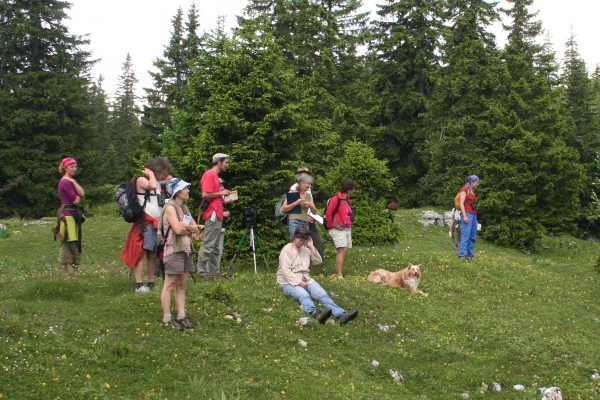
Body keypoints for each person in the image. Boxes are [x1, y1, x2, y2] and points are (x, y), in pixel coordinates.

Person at [277, 226, 358, 324]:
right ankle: (315, 313)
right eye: (300, 240)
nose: (301, 242)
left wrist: (311, 246)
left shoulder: (305, 250)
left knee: (321, 293)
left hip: (306, 278)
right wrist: (299, 283)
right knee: (303, 295)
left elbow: (318, 261)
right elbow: (286, 271)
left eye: (304, 240)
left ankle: (341, 314)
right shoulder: (287, 249)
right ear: (295, 237)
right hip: (287, 281)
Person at [121, 156, 172, 293]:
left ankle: (151, 282)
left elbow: (168, 182)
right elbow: (153, 186)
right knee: (142, 252)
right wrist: (150, 173)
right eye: (162, 172)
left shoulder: (156, 180)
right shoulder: (142, 180)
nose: (164, 175)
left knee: (153, 254)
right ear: (156, 169)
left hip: (156, 222)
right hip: (145, 221)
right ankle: (139, 284)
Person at [160, 178, 200, 330]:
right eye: (185, 189)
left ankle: (181, 315)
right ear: (177, 191)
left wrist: (187, 227)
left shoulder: (185, 208)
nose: (188, 191)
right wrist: (187, 227)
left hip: (186, 249)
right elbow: (177, 230)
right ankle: (167, 317)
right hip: (173, 250)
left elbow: (196, 229)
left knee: (182, 284)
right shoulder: (170, 208)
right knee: (169, 285)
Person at [197, 153, 234, 280]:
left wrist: (225, 198)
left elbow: (214, 196)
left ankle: (214, 271)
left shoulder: (215, 176)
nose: (227, 165)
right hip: (212, 215)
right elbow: (205, 194)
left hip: (217, 214)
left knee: (216, 246)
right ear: (219, 162)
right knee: (208, 244)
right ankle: (202, 273)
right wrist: (221, 192)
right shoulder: (209, 174)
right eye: (226, 162)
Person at [56, 157, 85, 276]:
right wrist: (77, 198)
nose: (74, 169)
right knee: (68, 241)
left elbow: (82, 193)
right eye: (71, 166)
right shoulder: (64, 182)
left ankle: (75, 270)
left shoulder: (71, 181)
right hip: (67, 215)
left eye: (75, 166)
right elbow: (75, 200)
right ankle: (65, 272)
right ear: (65, 167)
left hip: (73, 215)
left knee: (74, 241)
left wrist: (73, 182)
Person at [290, 166, 325, 261]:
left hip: (309, 218)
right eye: (301, 173)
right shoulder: (294, 188)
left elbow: (311, 205)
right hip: (298, 219)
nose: (304, 175)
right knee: (297, 241)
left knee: (317, 241)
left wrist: (312, 214)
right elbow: (294, 208)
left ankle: (319, 262)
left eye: (306, 173)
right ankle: (294, 264)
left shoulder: (308, 188)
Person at [325, 179, 357, 278]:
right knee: (342, 249)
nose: (354, 191)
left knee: (344, 250)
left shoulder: (347, 200)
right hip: (338, 228)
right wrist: (330, 225)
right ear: (348, 190)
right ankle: (339, 275)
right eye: (353, 189)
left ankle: (340, 272)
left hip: (346, 227)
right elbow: (329, 213)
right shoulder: (336, 198)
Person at [280, 174, 317, 240]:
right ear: (302, 183)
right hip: (294, 222)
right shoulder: (293, 193)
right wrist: (296, 203)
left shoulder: (308, 195)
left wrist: (310, 206)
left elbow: (315, 212)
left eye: (310, 184)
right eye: (308, 184)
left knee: (304, 243)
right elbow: (283, 209)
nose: (310, 186)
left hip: (305, 223)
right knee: (295, 242)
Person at [458, 175, 480, 260]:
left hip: (473, 214)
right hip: (467, 214)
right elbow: (461, 203)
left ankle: (470, 255)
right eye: (476, 183)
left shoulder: (471, 190)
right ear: (471, 182)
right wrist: (464, 216)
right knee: (466, 235)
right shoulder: (464, 190)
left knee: (473, 235)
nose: (477, 184)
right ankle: (462, 255)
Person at [216, 178, 233, 269]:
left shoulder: (219, 199)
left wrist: (228, 199)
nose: (222, 187)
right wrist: (223, 214)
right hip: (214, 227)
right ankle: (210, 271)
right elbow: (208, 212)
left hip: (221, 226)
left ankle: (216, 270)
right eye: (220, 185)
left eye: (223, 185)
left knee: (220, 249)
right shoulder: (212, 199)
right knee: (214, 249)